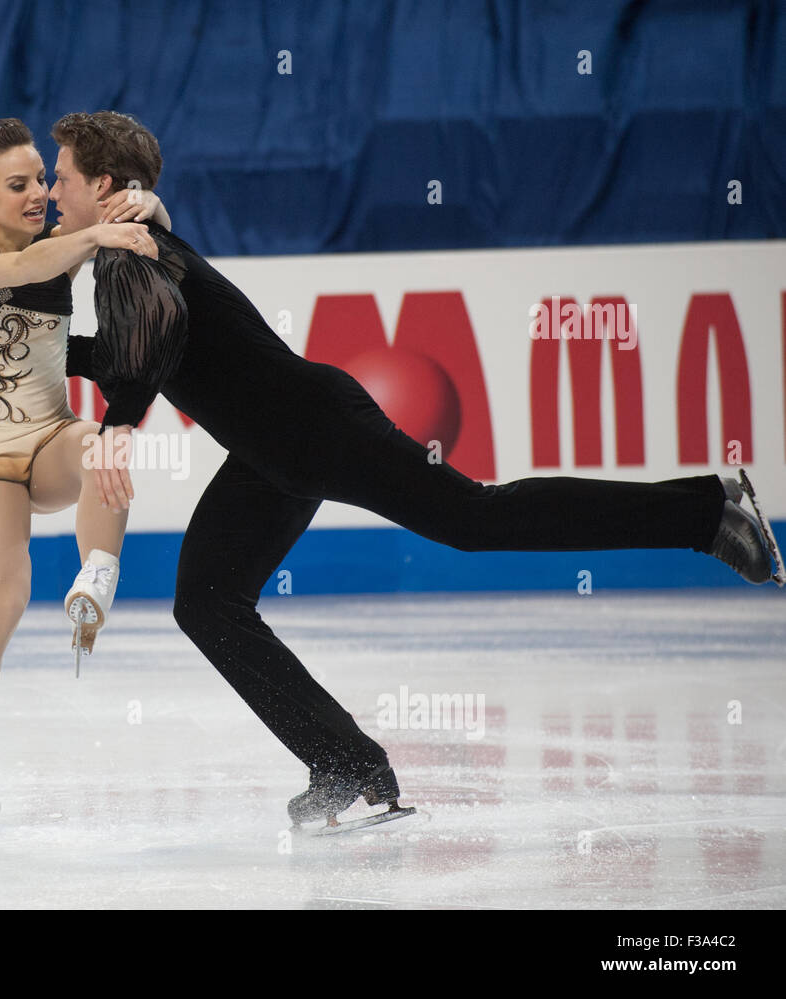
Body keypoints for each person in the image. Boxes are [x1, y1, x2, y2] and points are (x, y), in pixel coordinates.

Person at [48, 110, 780, 829]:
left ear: (105, 183)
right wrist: (43, 351)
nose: (52, 191)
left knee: (476, 518)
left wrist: (116, 428)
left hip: (315, 427)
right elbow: (128, 352)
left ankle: (708, 513)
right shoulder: (133, 244)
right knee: (207, 600)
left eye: (62, 178)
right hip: (273, 452)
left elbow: (149, 341)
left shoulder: (128, 252)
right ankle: (346, 763)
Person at [0, 118, 170, 829]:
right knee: (4, 594)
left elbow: (126, 215)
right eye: (18, 184)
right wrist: (96, 236)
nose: (38, 193)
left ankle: (99, 571)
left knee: (101, 439)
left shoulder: (58, 247)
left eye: (41, 178)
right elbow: (20, 271)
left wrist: (149, 208)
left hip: (50, 438)